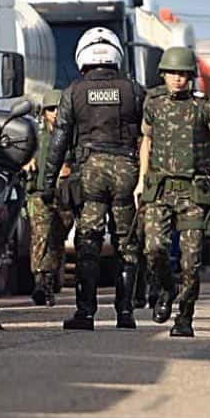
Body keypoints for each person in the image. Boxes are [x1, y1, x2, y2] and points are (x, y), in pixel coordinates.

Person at [40, 27, 146, 330]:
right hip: (127, 170)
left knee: (88, 242)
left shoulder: (73, 91)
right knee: (126, 242)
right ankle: (125, 313)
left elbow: (59, 140)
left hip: (91, 172)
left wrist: (48, 183)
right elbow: (150, 135)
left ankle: (85, 314)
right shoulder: (135, 90)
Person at [136, 47, 210, 338]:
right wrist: (141, 180)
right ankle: (167, 289)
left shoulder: (205, 107)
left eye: (183, 74)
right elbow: (146, 142)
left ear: (191, 76)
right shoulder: (153, 104)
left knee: (191, 261)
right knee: (153, 248)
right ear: (163, 75)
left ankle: (185, 316)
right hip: (160, 189)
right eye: (172, 73)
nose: (178, 79)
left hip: (193, 191)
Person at [25, 89, 75, 307]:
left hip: (64, 195)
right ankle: (40, 281)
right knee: (40, 236)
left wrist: (71, 169)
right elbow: (22, 153)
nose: (55, 113)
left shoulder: (73, 136)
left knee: (56, 239)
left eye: (58, 108)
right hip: (39, 193)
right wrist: (27, 161)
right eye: (50, 109)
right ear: (43, 112)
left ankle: (48, 279)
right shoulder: (36, 136)